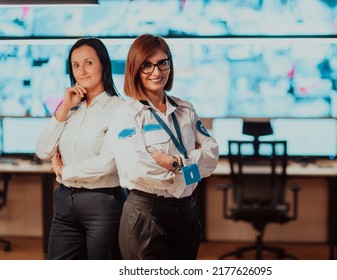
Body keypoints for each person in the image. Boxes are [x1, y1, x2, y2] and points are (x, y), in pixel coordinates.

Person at [106, 34, 219, 260]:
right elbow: (139, 170)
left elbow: (212, 156)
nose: (156, 72)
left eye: (162, 63)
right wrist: (191, 167)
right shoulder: (127, 116)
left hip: (186, 211)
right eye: (147, 65)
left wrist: (174, 163)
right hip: (147, 213)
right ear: (135, 69)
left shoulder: (185, 109)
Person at [35, 37, 127, 260]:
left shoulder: (121, 109)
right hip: (66, 201)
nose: (81, 71)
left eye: (88, 63)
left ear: (103, 64)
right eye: (75, 65)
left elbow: (107, 163)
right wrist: (65, 106)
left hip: (102, 204)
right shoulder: (71, 109)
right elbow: (43, 151)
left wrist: (62, 171)